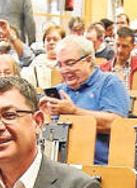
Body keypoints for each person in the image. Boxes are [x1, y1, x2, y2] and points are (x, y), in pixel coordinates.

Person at [41, 36, 131, 166]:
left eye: (70, 63)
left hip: (98, 168)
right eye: (60, 65)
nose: (64, 70)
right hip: (60, 166)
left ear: (88, 60)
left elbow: (117, 124)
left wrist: (74, 112)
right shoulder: (60, 91)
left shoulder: (109, 83)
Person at [22, 24, 64, 91]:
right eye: (48, 40)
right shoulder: (38, 61)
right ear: (44, 44)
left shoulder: (66, 62)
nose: (51, 42)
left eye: (55, 39)